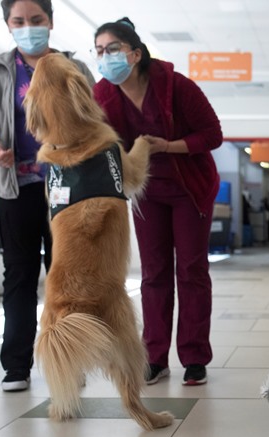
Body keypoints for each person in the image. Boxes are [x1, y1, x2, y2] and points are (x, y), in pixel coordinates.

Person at [0, 0, 94, 392]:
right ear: (8, 24)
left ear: (51, 22)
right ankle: (16, 366)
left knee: (68, 278)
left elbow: (92, 121)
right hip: (15, 188)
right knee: (19, 276)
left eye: (36, 20)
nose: (28, 27)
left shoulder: (75, 68)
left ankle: (70, 363)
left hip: (67, 190)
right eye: (19, 21)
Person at [93, 18, 223, 387]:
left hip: (189, 188)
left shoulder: (175, 86)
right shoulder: (102, 94)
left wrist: (170, 146)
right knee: (154, 275)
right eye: (100, 51)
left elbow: (212, 134)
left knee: (192, 272)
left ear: (135, 54)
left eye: (112, 49)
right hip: (146, 192)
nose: (106, 57)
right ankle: (154, 357)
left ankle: (195, 357)